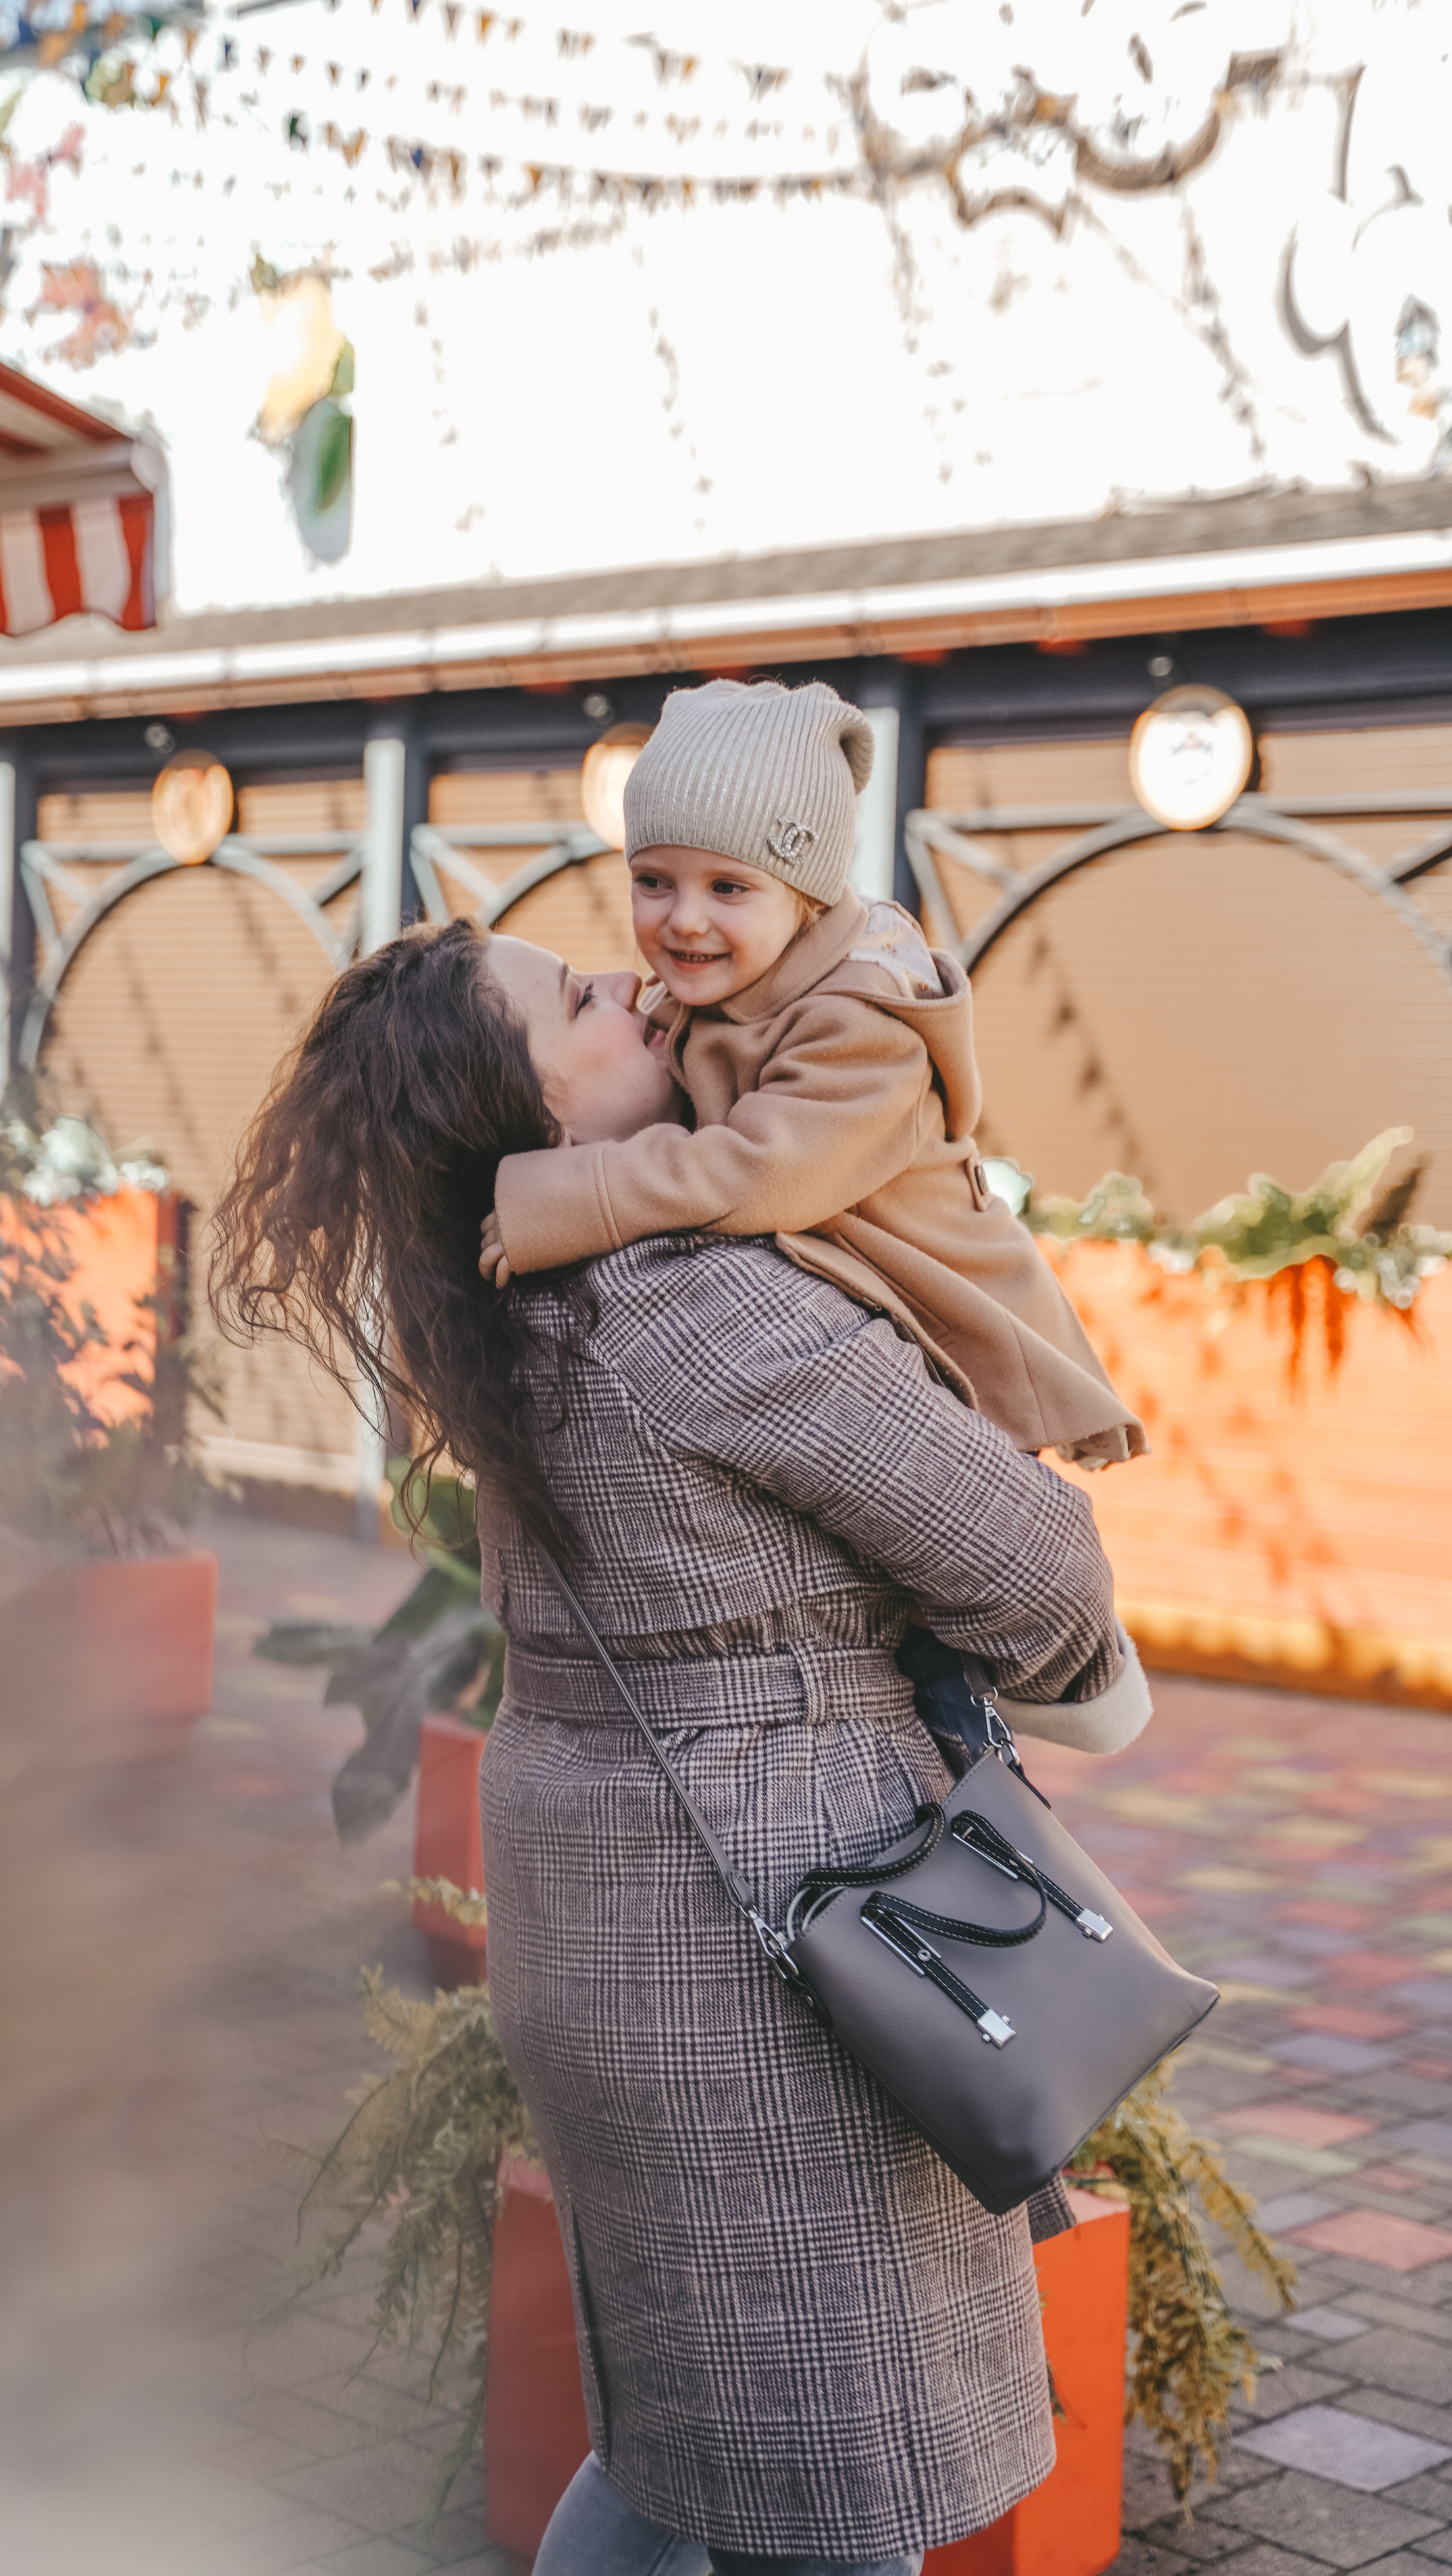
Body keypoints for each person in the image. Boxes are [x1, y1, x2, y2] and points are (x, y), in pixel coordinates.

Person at [211, 917, 1152, 2576]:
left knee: (674, 2449)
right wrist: (1053, 1686)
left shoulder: (510, 1309)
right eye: (573, 998)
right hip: (779, 1961)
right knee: (824, 2498)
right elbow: (1034, 1562)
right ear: (544, 1122)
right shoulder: (694, 1303)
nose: (627, 977)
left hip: (611, 1927)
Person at [479, 677, 1145, 1475]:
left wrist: (573, 1197)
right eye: (654, 881)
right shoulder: (712, 988)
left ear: (805, 898)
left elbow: (761, 1174)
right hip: (855, 1331)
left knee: (967, 1543)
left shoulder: (861, 1026)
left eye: (728, 887)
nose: (684, 918)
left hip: (953, 1338)